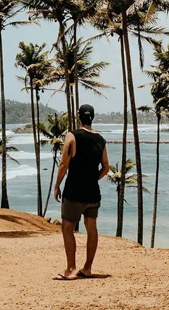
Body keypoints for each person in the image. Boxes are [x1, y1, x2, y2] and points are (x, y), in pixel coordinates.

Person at [53, 104, 110, 280]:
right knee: (91, 228)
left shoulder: (72, 136)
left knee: (67, 228)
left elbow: (64, 163)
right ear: (92, 118)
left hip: (74, 192)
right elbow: (106, 167)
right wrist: (93, 179)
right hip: (93, 193)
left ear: (79, 117)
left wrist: (57, 186)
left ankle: (71, 269)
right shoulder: (100, 139)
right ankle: (87, 268)